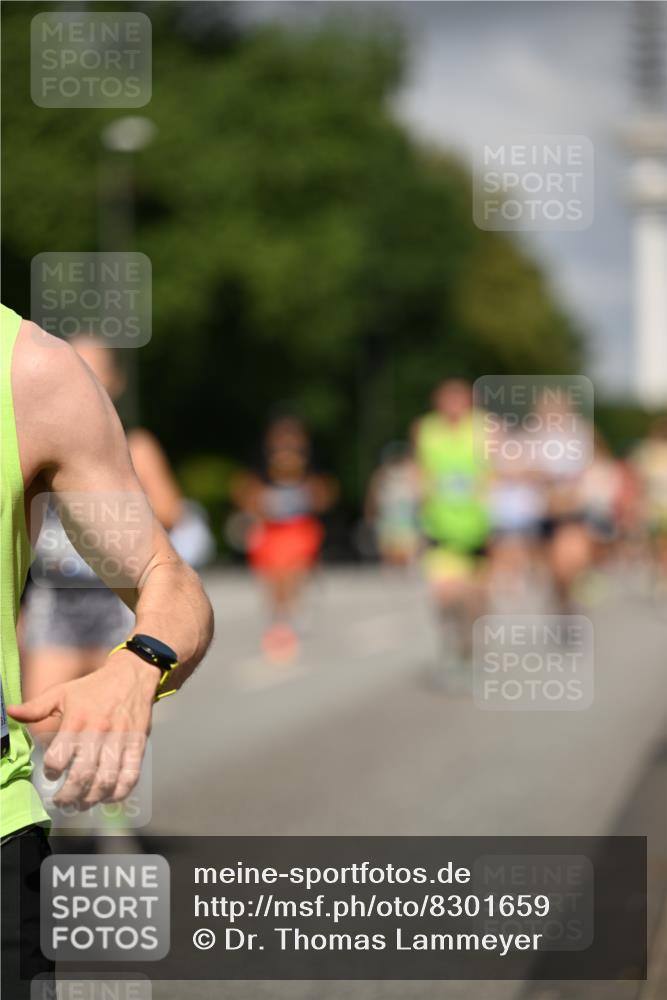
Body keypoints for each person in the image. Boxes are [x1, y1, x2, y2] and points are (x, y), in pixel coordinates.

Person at [0, 304, 214, 997]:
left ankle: (111, 814)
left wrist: (141, 660)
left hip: (92, 600)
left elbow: (168, 572)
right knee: (50, 717)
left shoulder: (34, 376)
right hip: (54, 602)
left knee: (63, 718)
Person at [22, 335, 188, 742]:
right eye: (76, 367)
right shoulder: (34, 439)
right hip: (55, 599)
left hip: (111, 599)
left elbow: (171, 511)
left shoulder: (136, 446)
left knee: (112, 717)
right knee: (41, 720)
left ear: (114, 382)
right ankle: (56, 796)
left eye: (94, 371)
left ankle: (111, 794)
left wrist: (105, 506)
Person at [232, 415, 336, 662]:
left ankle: (293, 609)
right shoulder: (260, 470)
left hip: (299, 529)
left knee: (294, 571)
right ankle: (279, 618)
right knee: (272, 578)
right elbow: (245, 495)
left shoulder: (310, 470)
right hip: (272, 531)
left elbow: (324, 497)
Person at [414, 379, 490, 686]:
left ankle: (468, 649)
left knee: (473, 599)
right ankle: (449, 648)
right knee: (444, 595)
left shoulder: (485, 429)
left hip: (478, 529)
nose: (454, 405)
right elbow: (421, 474)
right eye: (448, 399)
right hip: (441, 528)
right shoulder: (427, 430)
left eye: (459, 399)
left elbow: (500, 471)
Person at [364, 442, 421, 569]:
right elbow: (373, 497)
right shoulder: (382, 476)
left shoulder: (412, 473)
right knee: (392, 552)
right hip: (391, 518)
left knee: (406, 550)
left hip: (405, 519)